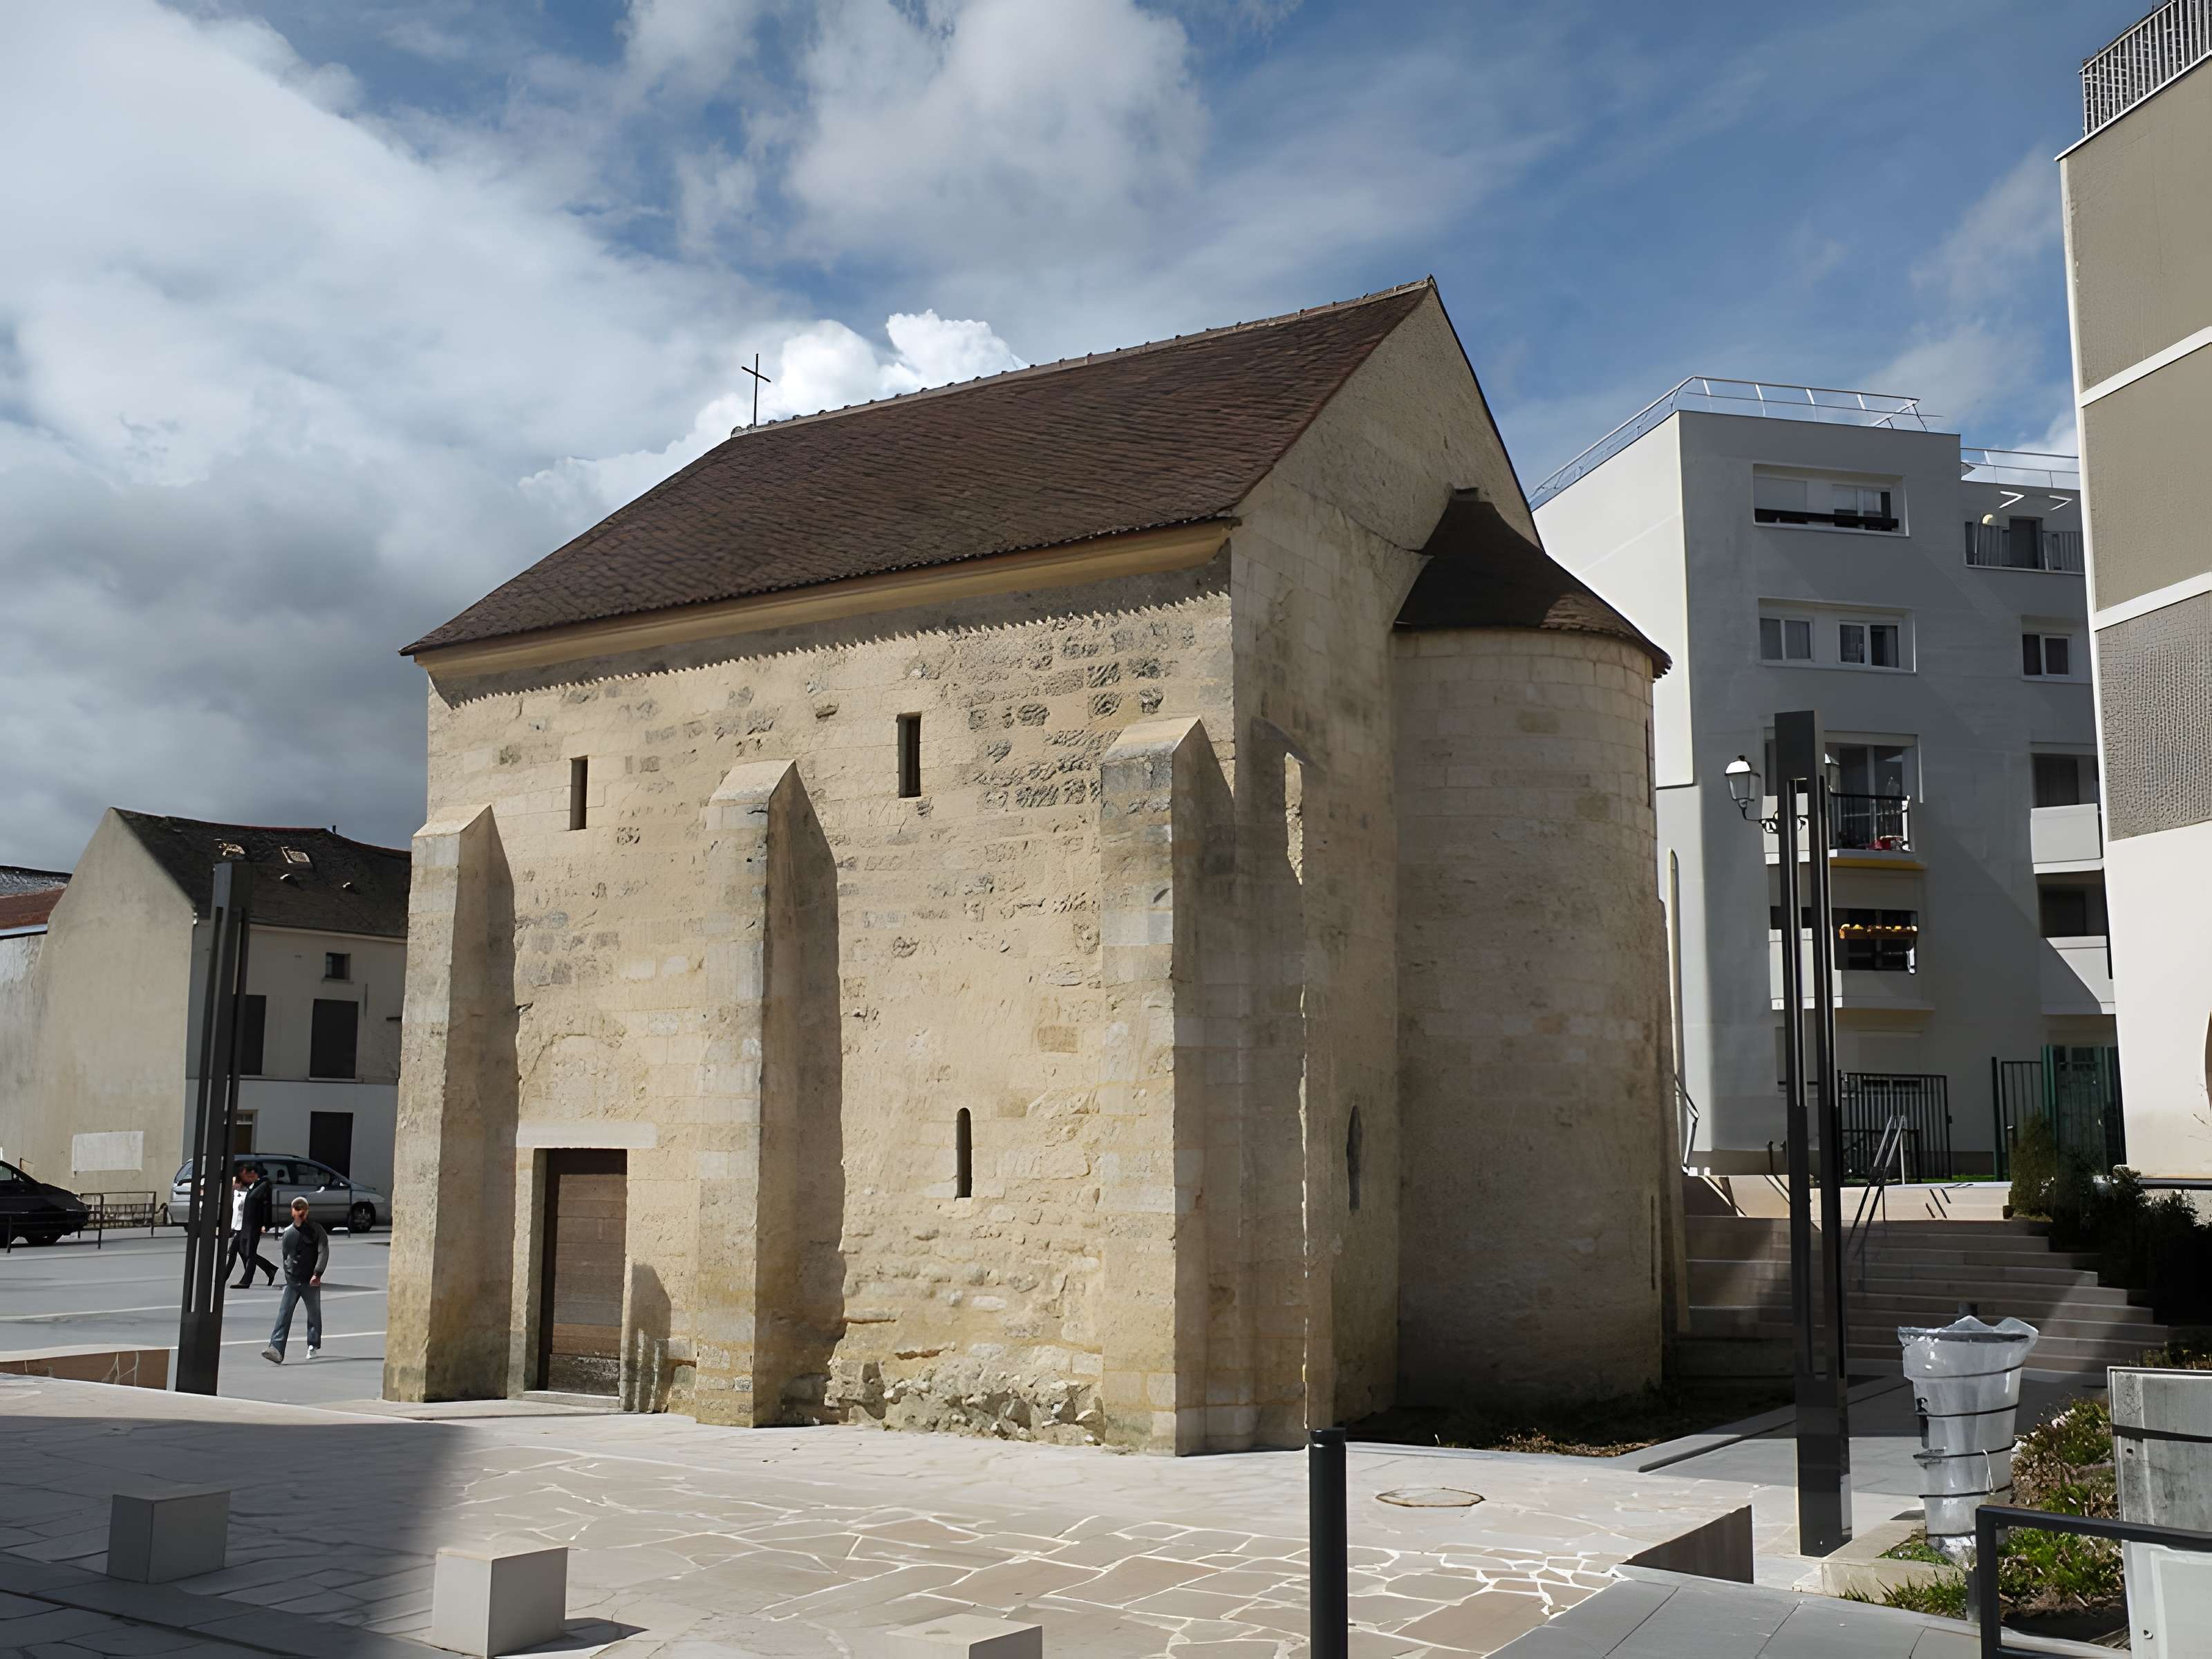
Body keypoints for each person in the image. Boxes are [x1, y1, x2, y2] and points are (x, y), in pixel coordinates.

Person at [261, 1197, 328, 1365]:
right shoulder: (289, 1232)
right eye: (297, 1209)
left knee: (314, 1314)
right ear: (292, 1211)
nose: (300, 1212)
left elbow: (323, 1251)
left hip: (310, 1281)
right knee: (284, 1313)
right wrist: (288, 1272)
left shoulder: (316, 1231)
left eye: (303, 1208)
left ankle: (313, 1344)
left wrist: (317, 1273)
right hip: (293, 1280)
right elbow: (286, 1256)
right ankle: (276, 1348)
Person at [225, 1164, 276, 1288]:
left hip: (253, 1225)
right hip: (245, 1226)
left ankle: (246, 1281)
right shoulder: (253, 1186)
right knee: (237, 1249)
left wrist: (265, 1225)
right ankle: (269, 1269)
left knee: (250, 1253)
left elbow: (266, 1207)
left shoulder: (263, 1186)